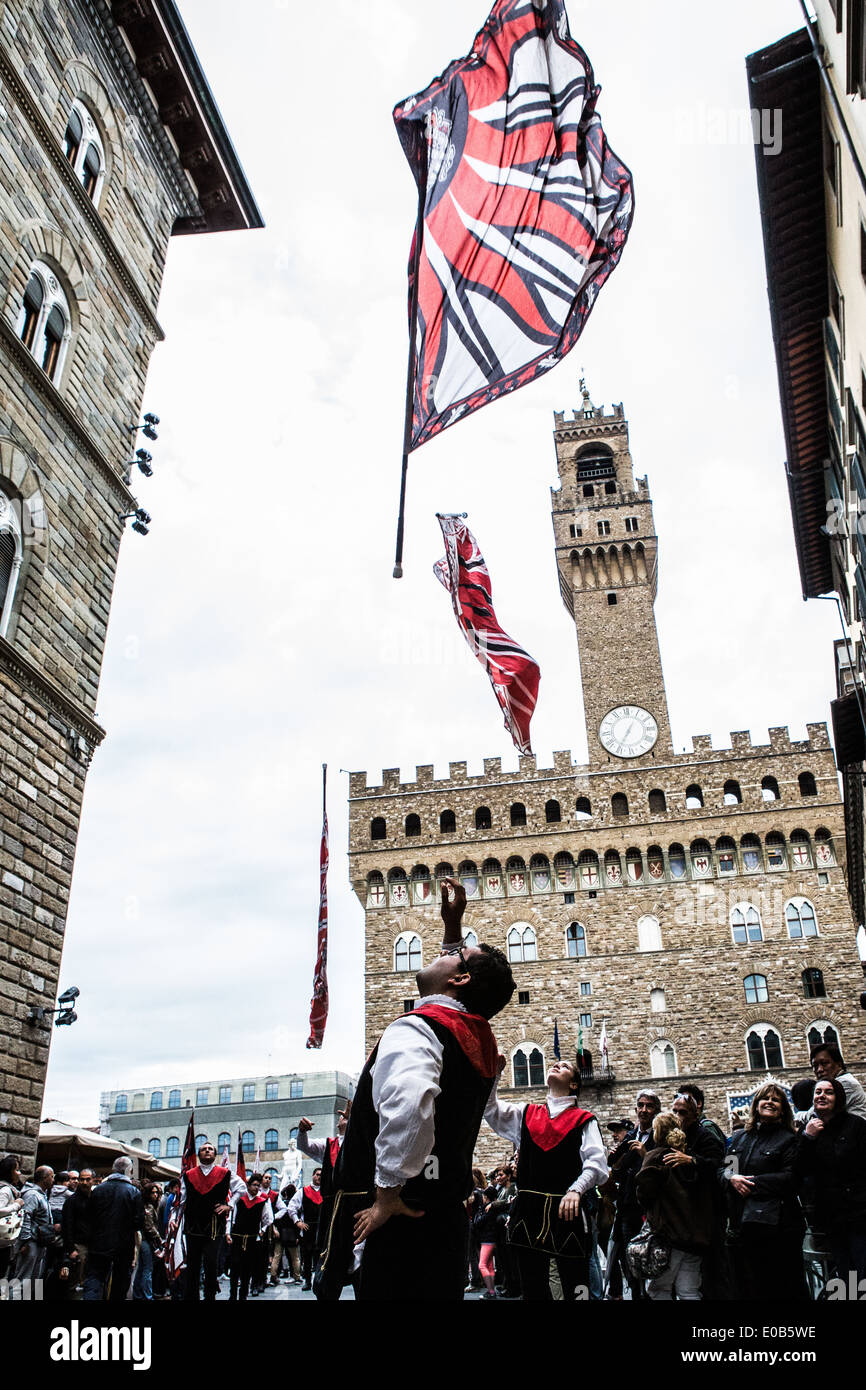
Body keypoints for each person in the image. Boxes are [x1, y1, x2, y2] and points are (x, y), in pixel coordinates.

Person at [343, 878, 515, 1301]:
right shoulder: (477, 1039)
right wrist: (453, 931)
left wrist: (387, 1194)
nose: (444, 955)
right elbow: (458, 984)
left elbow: (410, 1104)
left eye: (454, 955)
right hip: (444, 1218)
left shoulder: (418, 1029)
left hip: (402, 1216)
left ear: (459, 980)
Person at [484, 1056, 608, 1300]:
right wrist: (495, 1075)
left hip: (567, 1211)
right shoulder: (527, 1113)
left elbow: (597, 1164)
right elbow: (491, 1111)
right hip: (528, 1212)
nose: (556, 1065)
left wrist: (576, 1190)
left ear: (574, 1084)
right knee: (533, 1289)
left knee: (577, 1287)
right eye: (555, 1063)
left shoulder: (585, 1119)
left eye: (564, 1067)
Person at [720, 1082, 807, 1301]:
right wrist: (731, 1178)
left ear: (782, 1108)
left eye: (775, 1099)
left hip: (779, 1227)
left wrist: (751, 1184)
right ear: (756, 1105)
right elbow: (725, 1169)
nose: (769, 1102)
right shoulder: (740, 1138)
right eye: (765, 1098)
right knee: (748, 1286)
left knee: (782, 1286)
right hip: (743, 1225)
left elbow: (792, 1178)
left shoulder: (789, 1139)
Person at [635, 1112, 713, 1300]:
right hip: (695, 1236)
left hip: (668, 1234)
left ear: (657, 1132)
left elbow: (644, 1193)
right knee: (689, 1291)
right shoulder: (690, 1157)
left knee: (659, 1289)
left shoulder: (655, 1157)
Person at [796, 1077, 866, 1284]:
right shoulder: (808, 1131)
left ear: (839, 1097)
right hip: (830, 1216)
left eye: (829, 1092)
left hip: (859, 1213)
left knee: (862, 1269)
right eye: (818, 1092)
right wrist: (808, 1138)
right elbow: (799, 1170)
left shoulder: (856, 1126)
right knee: (844, 1273)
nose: (822, 1096)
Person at [606, 1089, 661, 1299]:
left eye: (648, 1106)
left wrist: (645, 1155)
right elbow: (618, 1169)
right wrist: (616, 1159)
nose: (644, 1110)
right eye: (640, 1105)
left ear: (655, 1109)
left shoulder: (657, 1135)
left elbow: (660, 1170)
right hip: (626, 1205)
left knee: (647, 1260)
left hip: (646, 1207)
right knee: (627, 1259)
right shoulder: (631, 1136)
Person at [82, 1157, 144, 1301]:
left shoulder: (97, 1190)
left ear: (113, 1169)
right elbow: (138, 1222)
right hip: (123, 1245)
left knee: (94, 1279)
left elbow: (88, 1217)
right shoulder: (134, 1192)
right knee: (120, 1283)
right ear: (129, 1171)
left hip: (98, 1243)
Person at [181, 1141, 236, 1302]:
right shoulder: (188, 1174)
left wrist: (229, 1205)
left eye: (210, 1149)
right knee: (193, 1265)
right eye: (203, 1149)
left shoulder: (225, 1173)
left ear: (215, 1154)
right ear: (198, 1154)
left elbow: (241, 1189)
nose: (207, 1151)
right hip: (192, 1227)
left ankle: (210, 1296)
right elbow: (181, 1200)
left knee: (211, 1263)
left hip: (214, 1227)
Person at [227, 1173, 273, 1301]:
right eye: (254, 1185)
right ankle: (232, 1294)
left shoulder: (262, 1201)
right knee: (235, 1266)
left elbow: (268, 1219)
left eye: (258, 1185)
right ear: (248, 1185)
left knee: (247, 1268)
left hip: (252, 1238)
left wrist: (262, 1230)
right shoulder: (240, 1199)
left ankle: (243, 1295)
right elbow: (231, 1217)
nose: (256, 1187)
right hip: (237, 1237)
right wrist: (227, 1233)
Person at [13, 1164, 56, 1289]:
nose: (53, 1180)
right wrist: (25, 1241)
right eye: (52, 1177)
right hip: (31, 1242)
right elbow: (25, 1217)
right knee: (23, 1279)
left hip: (39, 1242)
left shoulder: (41, 1194)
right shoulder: (32, 1194)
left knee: (33, 1280)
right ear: (44, 1178)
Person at [809, 1043, 866, 1121]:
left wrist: (799, 1115)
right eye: (815, 1066)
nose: (819, 1069)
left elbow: (815, 1113)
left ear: (838, 1064)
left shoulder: (845, 1083)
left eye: (824, 1063)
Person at [288, 1166, 323, 1290]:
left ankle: (320, 1282)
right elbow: (291, 1207)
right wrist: (297, 1222)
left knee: (321, 1258)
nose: (319, 1176)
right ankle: (308, 1282)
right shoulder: (303, 1191)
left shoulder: (327, 1191)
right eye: (317, 1174)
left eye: (321, 1175)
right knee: (307, 1258)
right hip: (308, 1229)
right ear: (313, 1176)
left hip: (322, 1230)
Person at [61, 1167, 94, 1290]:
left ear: (93, 1181)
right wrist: (71, 1249)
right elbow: (67, 1225)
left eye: (87, 1180)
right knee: (75, 1282)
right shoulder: (72, 1201)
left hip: (91, 1246)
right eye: (82, 1179)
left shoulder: (95, 1199)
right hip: (78, 1246)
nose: (84, 1183)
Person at [132, 1183, 163, 1301]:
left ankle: (138, 1294)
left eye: (156, 1192)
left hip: (143, 1240)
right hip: (147, 1240)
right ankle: (147, 1295)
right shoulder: (149, 1207)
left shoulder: (147, 1206)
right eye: (153, 1192)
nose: (155, 1195)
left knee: (142, 1268)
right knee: (147, 1269)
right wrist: (159, 1238)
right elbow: (149, 1226)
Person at [0, 1154, 24, 1283]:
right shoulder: (5, 1190)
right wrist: (16, 1205)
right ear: (9, 1171)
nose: (19, 1173)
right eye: (17, 1170)